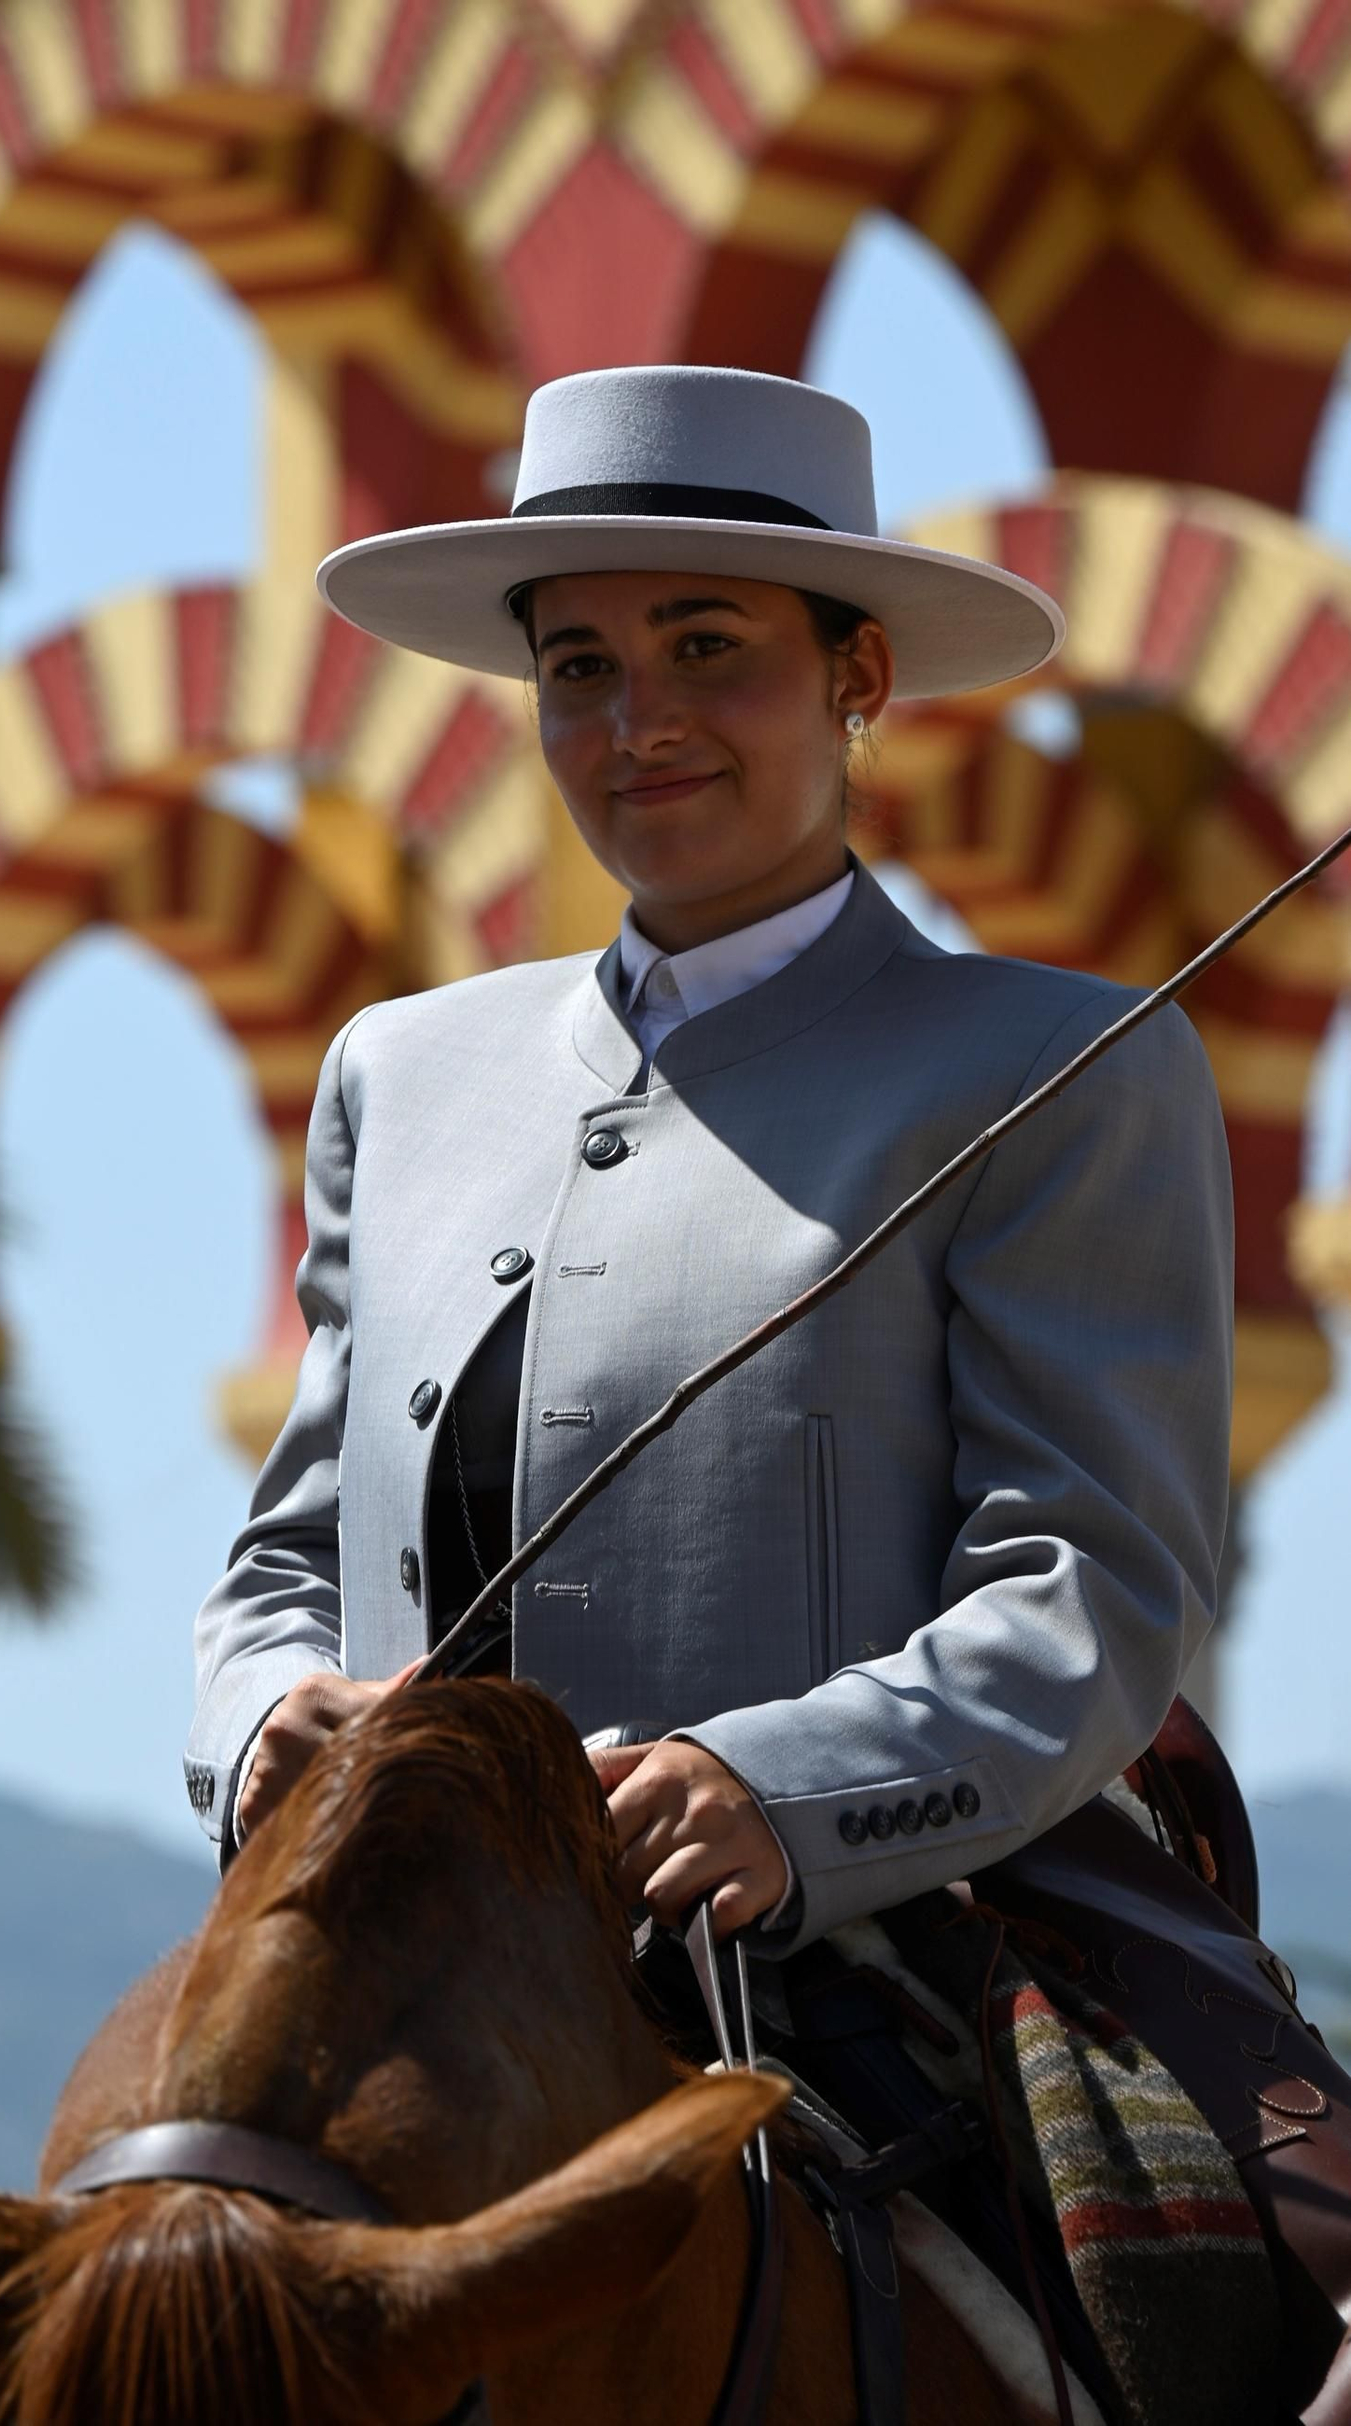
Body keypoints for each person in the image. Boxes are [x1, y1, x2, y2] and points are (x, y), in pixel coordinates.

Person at [183, 363, 1234, 1959]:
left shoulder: (1060, 1071)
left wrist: (779, 1786)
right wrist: (267, 1713)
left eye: (706, 647)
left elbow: (1087, 1586)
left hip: (862, 1960)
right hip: (388, 1953)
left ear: (856, 674)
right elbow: (290, 1554)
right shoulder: (398, 1072)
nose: (639, 721)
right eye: (582, 664)